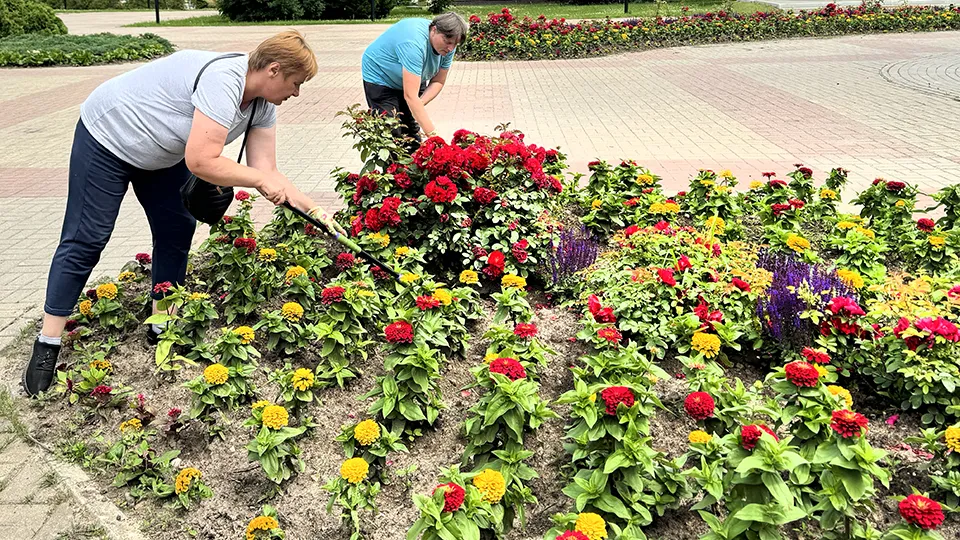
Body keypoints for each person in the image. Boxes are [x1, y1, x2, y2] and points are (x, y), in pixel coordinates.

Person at [23, 30, 340, 397]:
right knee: (87, 237)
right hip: (109, 137)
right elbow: (202, 160)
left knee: (176, 228)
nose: (296, 93)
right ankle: (48, 342)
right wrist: (257, 180)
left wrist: (315, 210)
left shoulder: (262, 105)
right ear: (273, 70)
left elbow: (267, 169)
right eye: (296, 83)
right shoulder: (223, 82)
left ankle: (162, 323)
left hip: (160, 153)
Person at [361, 12, 468, 148]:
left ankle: (414, 158)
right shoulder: (413, 43)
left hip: (413, 75)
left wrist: (418, 104)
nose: (451, 48)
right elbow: (410, 96)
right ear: (434, 30)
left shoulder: (448, 46)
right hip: (381, 76)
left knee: (411, 130)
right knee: (391, 132)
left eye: (455, 44)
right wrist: (434, 137)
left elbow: (438, 81)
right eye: (447, 42)